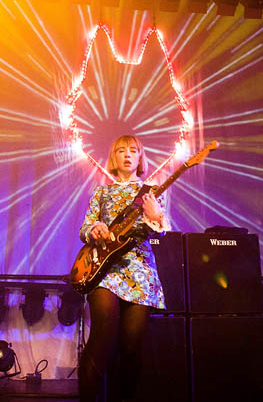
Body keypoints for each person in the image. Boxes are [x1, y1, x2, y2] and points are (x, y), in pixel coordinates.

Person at [77, 135, 170, 402]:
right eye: (121, 150)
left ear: (140, 157)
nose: (127, 154)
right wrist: (95, 229)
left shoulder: (151, 192)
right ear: (114, 158)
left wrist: (155, 218)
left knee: (131, 348)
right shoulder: (101, 192)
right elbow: (85, 228)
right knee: (101, 338)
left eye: (133, 150)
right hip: (104, 271)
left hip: (141, 273)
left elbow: (160, 235)